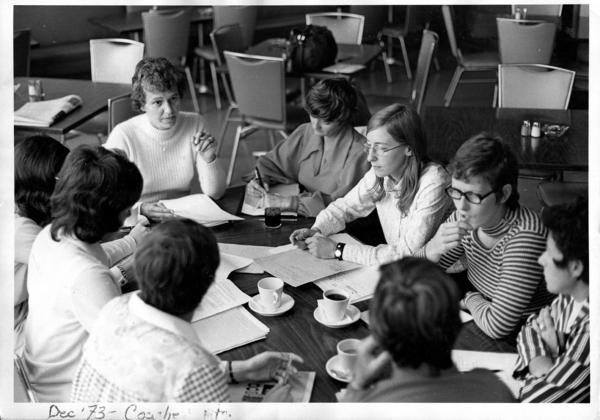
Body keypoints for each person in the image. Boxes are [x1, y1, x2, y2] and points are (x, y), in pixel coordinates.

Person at [71, 219, 302, 402]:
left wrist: (236, 371)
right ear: (210, 283)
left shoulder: (113, 309)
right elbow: (183, 375)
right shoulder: (193, 367)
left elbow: (156, 375)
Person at [23, 145, 149, 402]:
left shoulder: (51, 234)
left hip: (41, 372)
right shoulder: (88, 277)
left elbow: (90, 269)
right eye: (126, 209)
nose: (128, 216)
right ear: (103, 215)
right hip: (70, 394)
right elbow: (129, 355)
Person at [416, 133, 554, 339]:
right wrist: (432, 249)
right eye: (456, 192)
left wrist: (470, 298)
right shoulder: (468, 217)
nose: (461, 206)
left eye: (473, 196)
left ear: (504, 194)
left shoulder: (525, 237)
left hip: (527, 334)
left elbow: (499, 326)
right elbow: (409, 276)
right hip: (481, 315)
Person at [290, 103, 451, 266]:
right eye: (369, 146)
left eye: (381, 148)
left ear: (409, 149)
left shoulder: (434, 181)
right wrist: (317, 230)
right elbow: (344, 207)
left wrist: (338, 250)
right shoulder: (380, 173)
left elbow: (408, 253)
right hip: (400, 268)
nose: (370, 158)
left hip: (442, 275)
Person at [340, 257, 514, 402]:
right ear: (456, 326)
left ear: (377, 331)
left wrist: (357, 385)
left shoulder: (371, 404)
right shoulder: (496, 390)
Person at [104, 57, 226, 224]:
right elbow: (107, 199)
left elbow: (215, 193)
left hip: (181, 217)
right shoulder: (123, 135)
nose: (169, 110)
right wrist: (140, 209)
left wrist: (209, 159)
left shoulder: (195, 123)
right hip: (138, 221)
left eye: (173, 99)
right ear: (142, 105)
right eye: (158, 102)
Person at [244, 77, 371, 217]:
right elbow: (271, 163)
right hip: (302, 217)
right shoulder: (306, 131)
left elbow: (344, 205)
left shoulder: (360, 154)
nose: (315, 125)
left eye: (326, 121)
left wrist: (290, 203)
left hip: (335, 226)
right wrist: (259, 181)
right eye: (313, 115)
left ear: (343, 117)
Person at [514, 197, 589, 402]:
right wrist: (541, 360)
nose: (541, 259)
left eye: (549, 253)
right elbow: (528, 328)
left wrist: (550, 358)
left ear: (575, 267)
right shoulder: (570, 296)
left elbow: (534, 400)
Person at [14, 135, 69, 355]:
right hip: (19, 332)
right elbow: (76, 263)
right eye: (61, 177)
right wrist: (131, 242)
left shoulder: (25, 209)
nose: (67, 182)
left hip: (31, 311)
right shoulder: (20, 230)